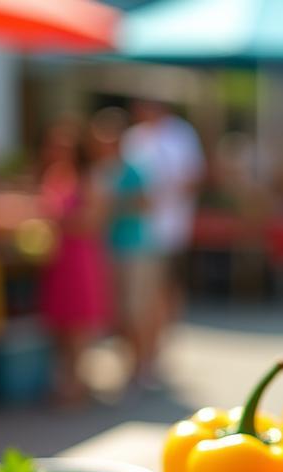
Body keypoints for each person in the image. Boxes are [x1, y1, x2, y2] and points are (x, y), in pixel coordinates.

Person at [122, 99, 204, 376]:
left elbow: (193, 178)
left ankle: (156, 350)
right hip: (137, 232)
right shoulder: (134, 137)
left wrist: (162, 193)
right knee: (142, 299)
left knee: (161, 293)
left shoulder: (180, 135)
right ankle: (146, 353)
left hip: (168, 231)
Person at [39, 124, 112, 404]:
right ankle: (67, 381)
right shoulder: (54, 176)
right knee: (61, 323)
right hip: (58, 258)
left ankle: (78, 384)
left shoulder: (90, 179)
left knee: (79, 325)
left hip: (80, 257)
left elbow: (93, 221)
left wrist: (58, 222)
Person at [89, 107, 160, 383]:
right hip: (112, 248)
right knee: (118, 313)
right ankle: (131, 364)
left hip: (135, 248)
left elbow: (145, 204)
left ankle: (142, 366)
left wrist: (113, 205)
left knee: (135, 311)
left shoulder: (132, 170)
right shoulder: (102, 170)